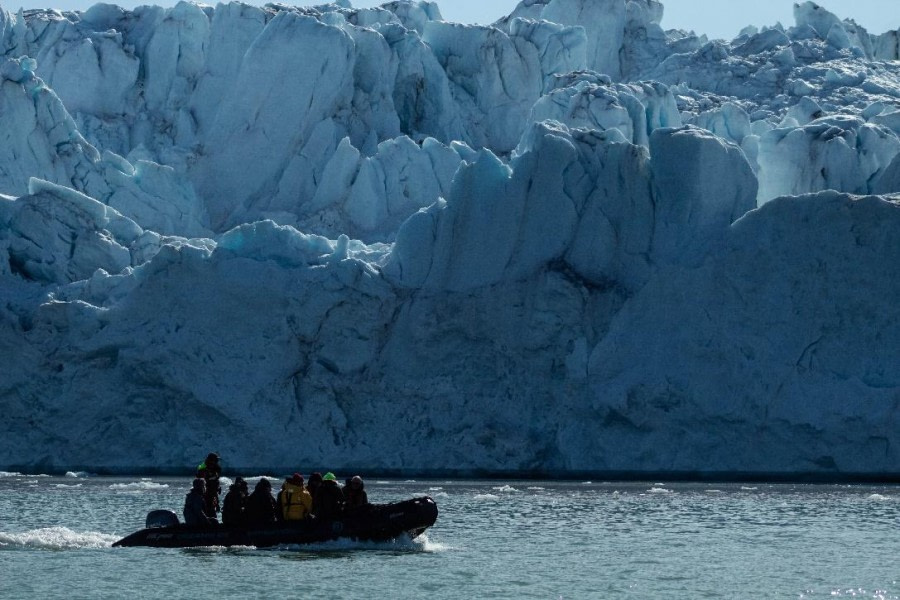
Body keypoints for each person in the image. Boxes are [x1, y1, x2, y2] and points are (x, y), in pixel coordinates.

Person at [196, 452, 222, 518]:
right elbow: (202, 480)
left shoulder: (214, 469)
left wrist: (217, 503)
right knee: (208, 512)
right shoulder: (203, 468)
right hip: (205, 495)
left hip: (212, 494)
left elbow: (214, 484)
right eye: (216, 460)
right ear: (211, 460)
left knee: (211, 513)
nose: (217, 461)